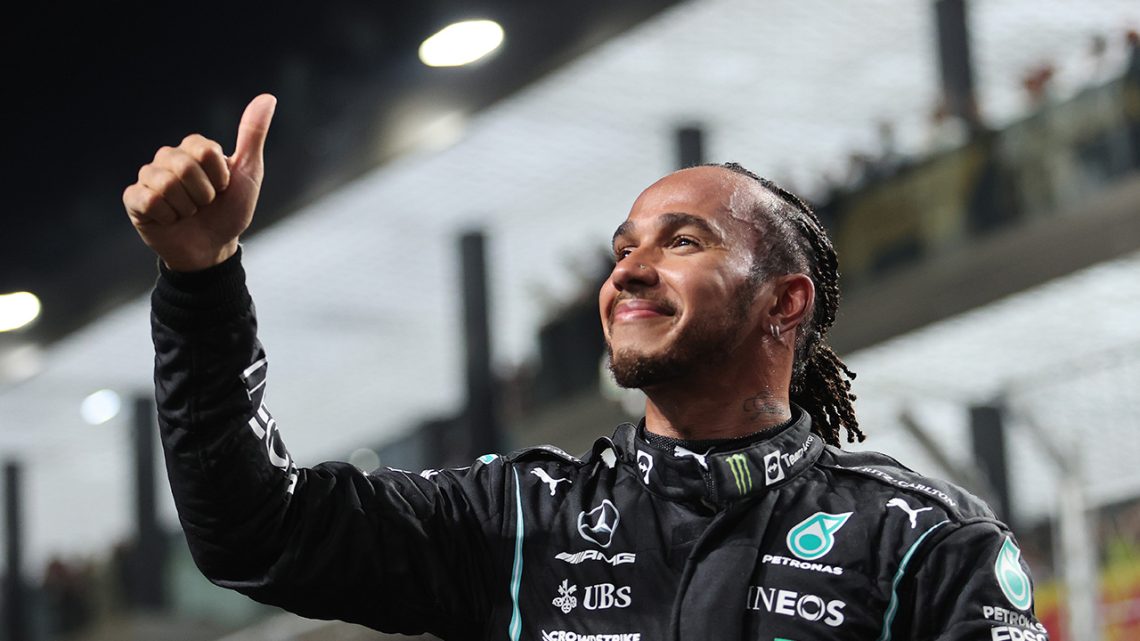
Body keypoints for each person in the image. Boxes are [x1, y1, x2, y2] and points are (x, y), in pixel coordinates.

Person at [123, 94, 1050, 640]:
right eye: (622, 248)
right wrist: (201, 281)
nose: (628, 271)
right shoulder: (519, 520)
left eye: (681, 241)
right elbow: (253, 531)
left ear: (785, 302)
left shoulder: (921, 540)